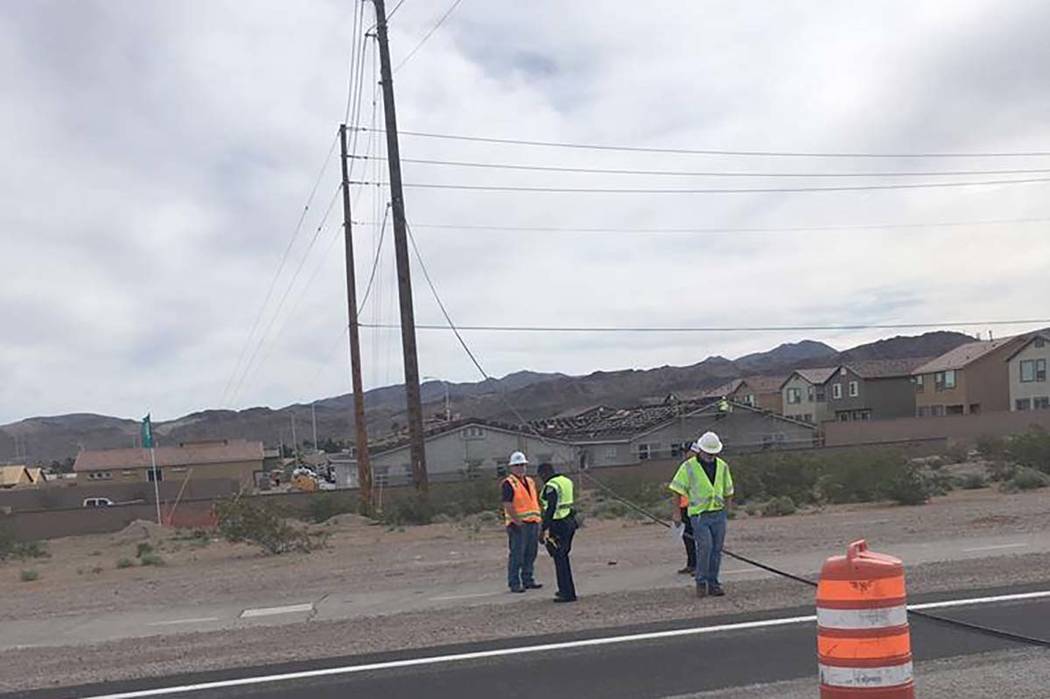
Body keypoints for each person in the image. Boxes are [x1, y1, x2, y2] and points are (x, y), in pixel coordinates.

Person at [669, 431, 735, 598]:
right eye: (708, 453)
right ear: (701, 451)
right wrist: (676, 513)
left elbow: (728, 490)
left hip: (718, 514)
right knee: (705, 548)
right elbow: (676, 490)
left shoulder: (722, 466)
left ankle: (713, 583)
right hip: (699, 515)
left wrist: (727, 509)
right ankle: (701, 581)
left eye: (714, 453)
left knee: (716, 550)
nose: (711, 456)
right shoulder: (689, 467)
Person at [501, 451, 543, 593]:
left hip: (533, 522)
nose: (521, 468)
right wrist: (517, 521)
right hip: (518, 524)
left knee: (531, 553)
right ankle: (514, 582)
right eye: (517, 465)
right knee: (517, 554)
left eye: (522, 465)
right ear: (512, 467)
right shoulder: (508, 483)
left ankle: (527, 579)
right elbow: (508, 504)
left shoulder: (530, 481)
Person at [538, 462, 577, 603]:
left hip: (559, 524)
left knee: (560, 559)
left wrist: (543, 530)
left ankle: (567, 593)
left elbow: (550, 509)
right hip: (570, 522)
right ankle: (566, 590)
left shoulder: (551, 486)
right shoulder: (566, 481)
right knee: (563, 557)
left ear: (544, 473)